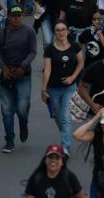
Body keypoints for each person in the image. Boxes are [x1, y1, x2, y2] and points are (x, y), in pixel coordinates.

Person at [0, 6, 37, 153]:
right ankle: (9, 140)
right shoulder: (2, 33)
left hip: (23, 75)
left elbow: (33, 51)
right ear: (9, 17)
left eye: (19, 15)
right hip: (7, 76)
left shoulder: (29, 31)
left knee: (22, 108)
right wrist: (4, 68)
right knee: (6, 111)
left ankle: (23, 124)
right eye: (14, 16)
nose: (16, 18)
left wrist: (23, 66)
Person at [41, 22, 83, 155]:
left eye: (63, 29)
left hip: (69, 88)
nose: (61, 32)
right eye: (57, 30)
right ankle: (66, 134)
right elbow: (47, 69)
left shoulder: (75, 47)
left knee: (66, 118)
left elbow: (81, 63)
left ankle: (65, 148)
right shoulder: (50, 49)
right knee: (58, 118)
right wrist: (43, 89)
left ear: (67, 32)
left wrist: (72, 77)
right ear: (54, 33)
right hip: (53, 89)